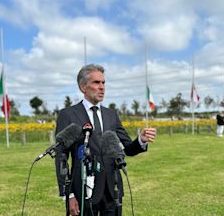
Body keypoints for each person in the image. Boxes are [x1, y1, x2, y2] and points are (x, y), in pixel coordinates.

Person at [55, 64, 156, 216]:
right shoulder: (68, 114)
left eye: (103, 83)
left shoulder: (111, 115)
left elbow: (127, 148)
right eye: (96, 83)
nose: (102, 87)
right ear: (83, 87)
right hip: (82, 191)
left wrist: (140, 140)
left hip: (112, 189)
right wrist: (68, 195)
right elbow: (61, 157)